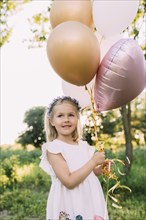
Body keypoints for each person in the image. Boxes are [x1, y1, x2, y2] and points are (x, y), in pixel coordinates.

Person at [39, 96, 109, 220]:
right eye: (60, 116)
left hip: (89, 199)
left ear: (77, 118)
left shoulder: (84, 146)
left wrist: (101, 169)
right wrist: (93, 162)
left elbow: (90, 173)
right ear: (51, 121)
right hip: (69, 202)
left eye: (71, 115)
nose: (66, 119)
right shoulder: (54, 148)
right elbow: (69, 182)